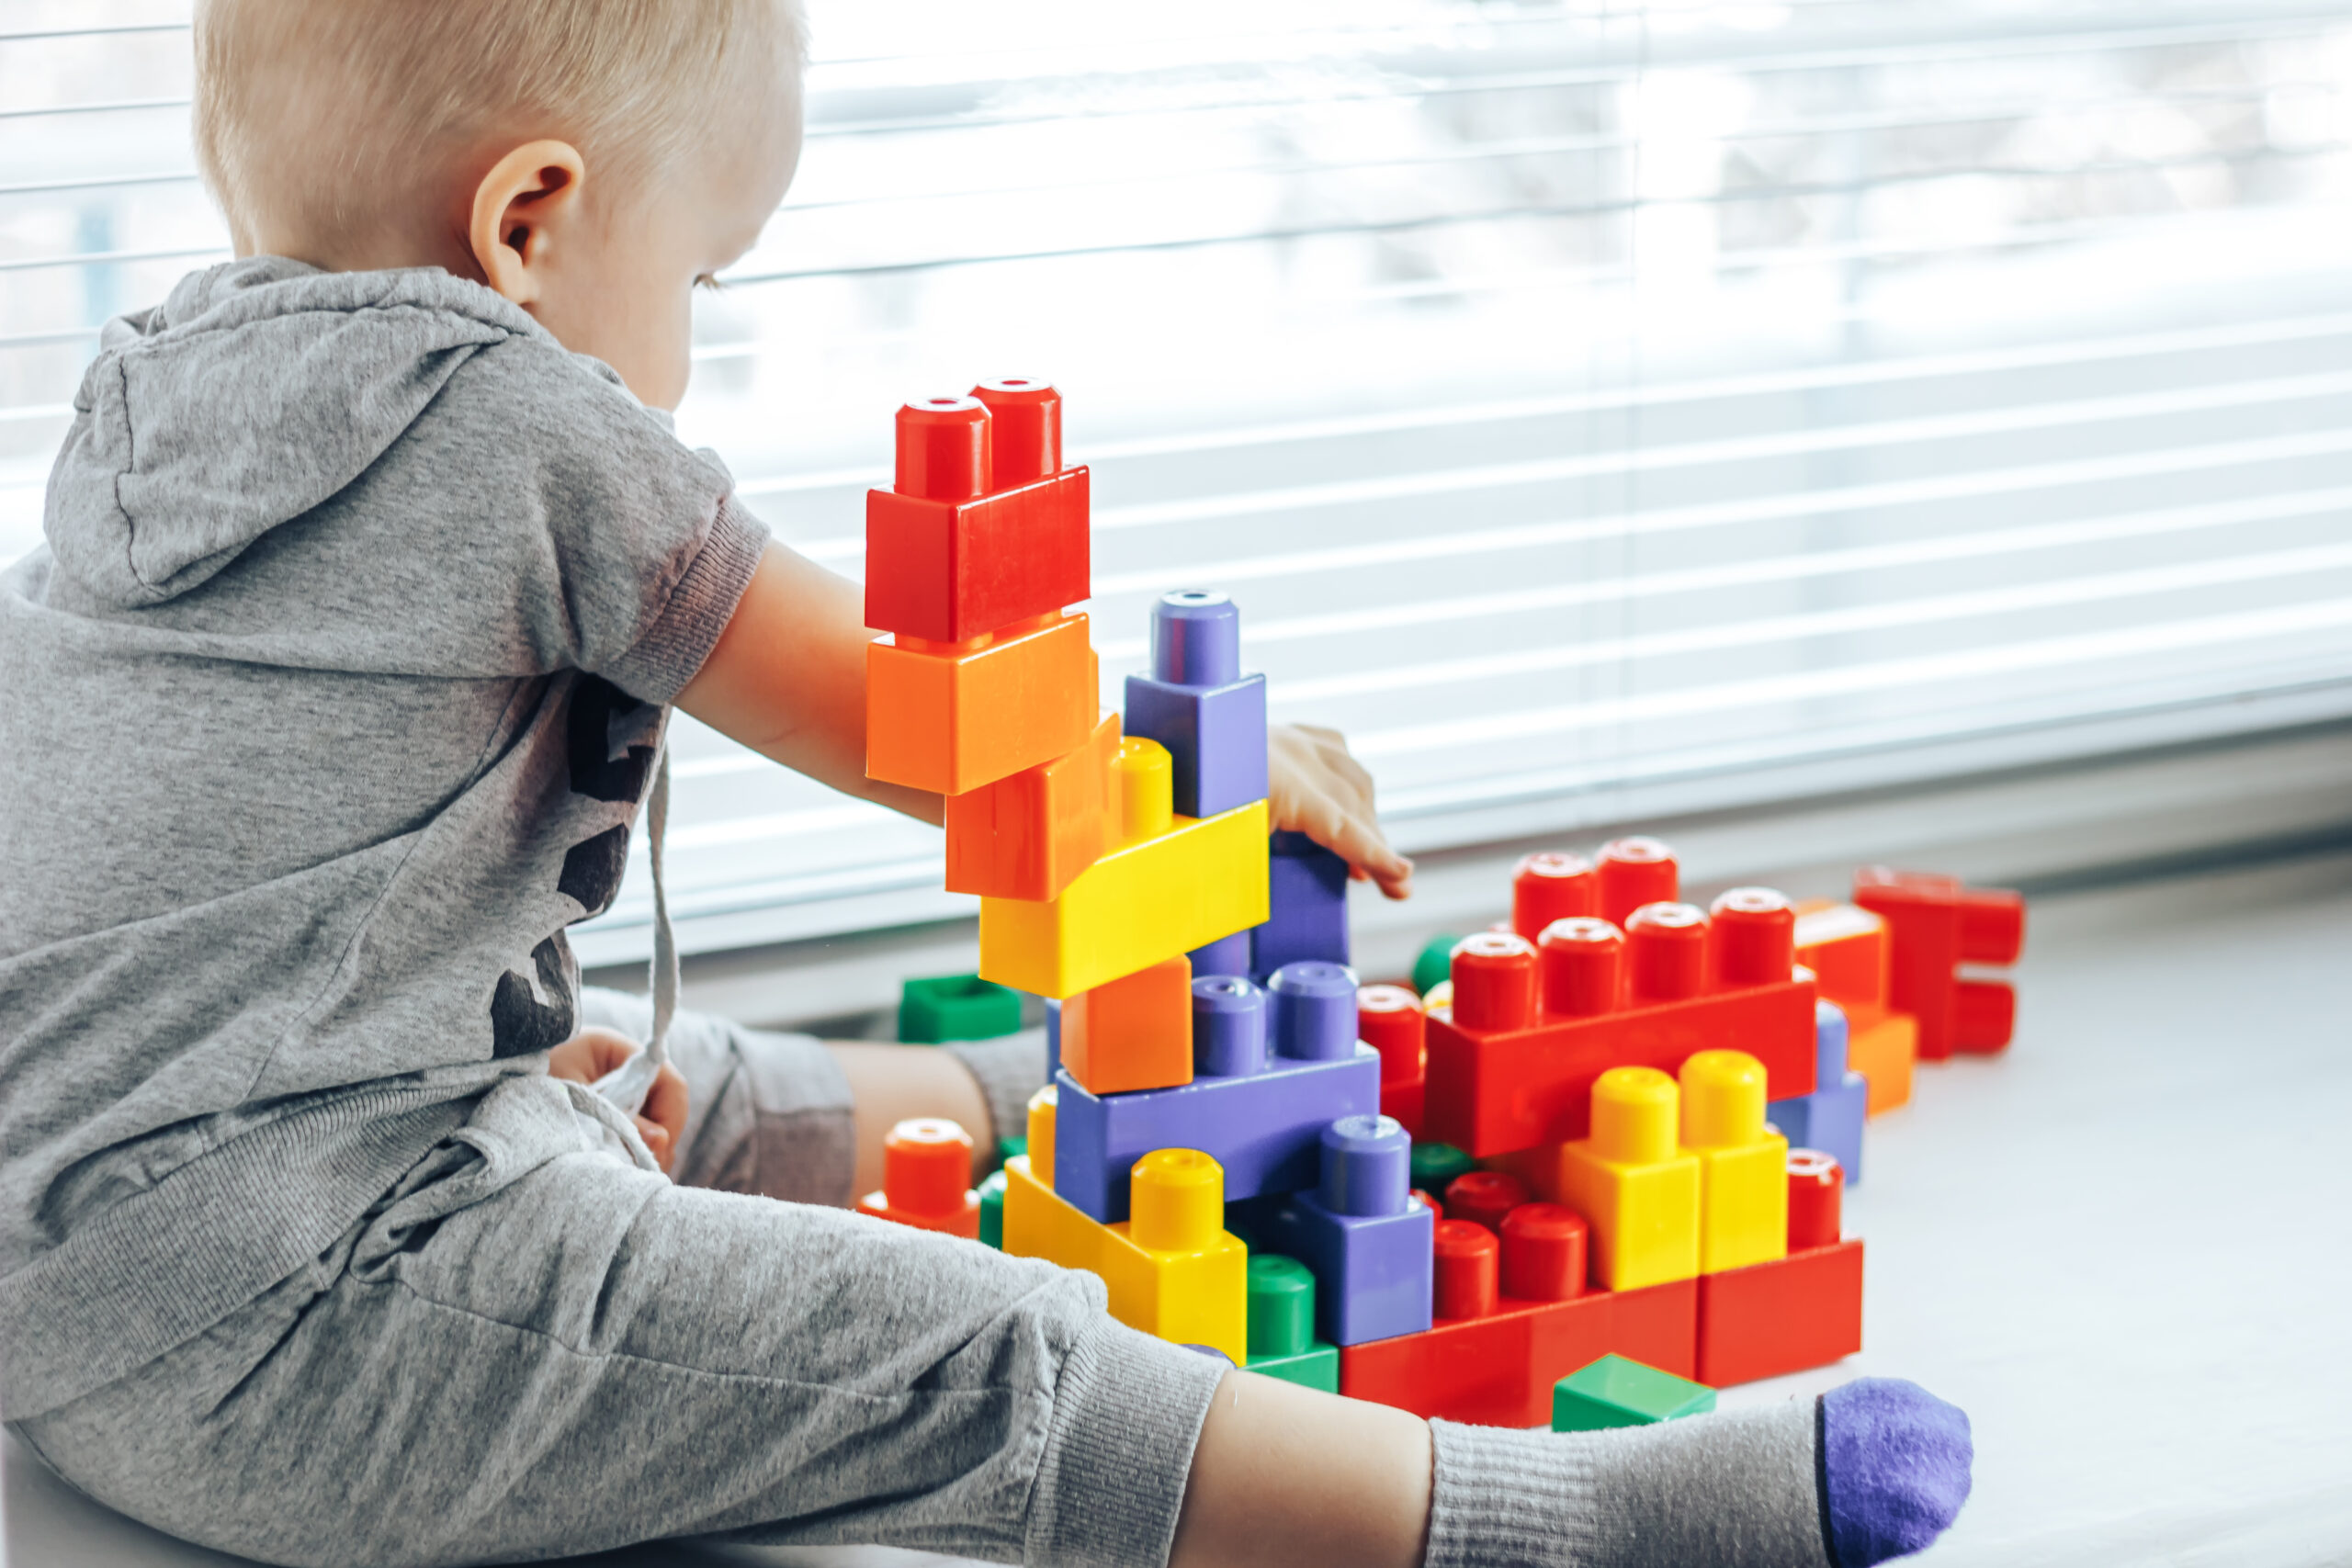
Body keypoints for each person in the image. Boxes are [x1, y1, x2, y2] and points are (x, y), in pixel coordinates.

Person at [0, 3, 1973, 1565]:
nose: (685, 348)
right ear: (530, 221)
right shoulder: (508, 417)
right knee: (938, 1348)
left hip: (85, 1259)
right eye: (705, 271)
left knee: (644, 1079)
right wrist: (1205, 759)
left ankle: (1037, 1093)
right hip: (286, 1332)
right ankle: (1506, 1525)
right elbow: (915, 723)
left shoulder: (154, 403)